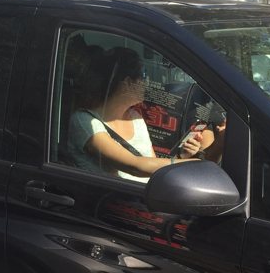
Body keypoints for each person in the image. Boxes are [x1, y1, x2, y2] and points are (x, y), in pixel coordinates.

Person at [68, 47, 202, 182]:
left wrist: (183, 157)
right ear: (127, 82)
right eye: (143, 76)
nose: (146, 82)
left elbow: (151, 165)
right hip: (118, 199)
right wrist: (194, 165)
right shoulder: (85, 121)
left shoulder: (135, 117)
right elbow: (134, 166)